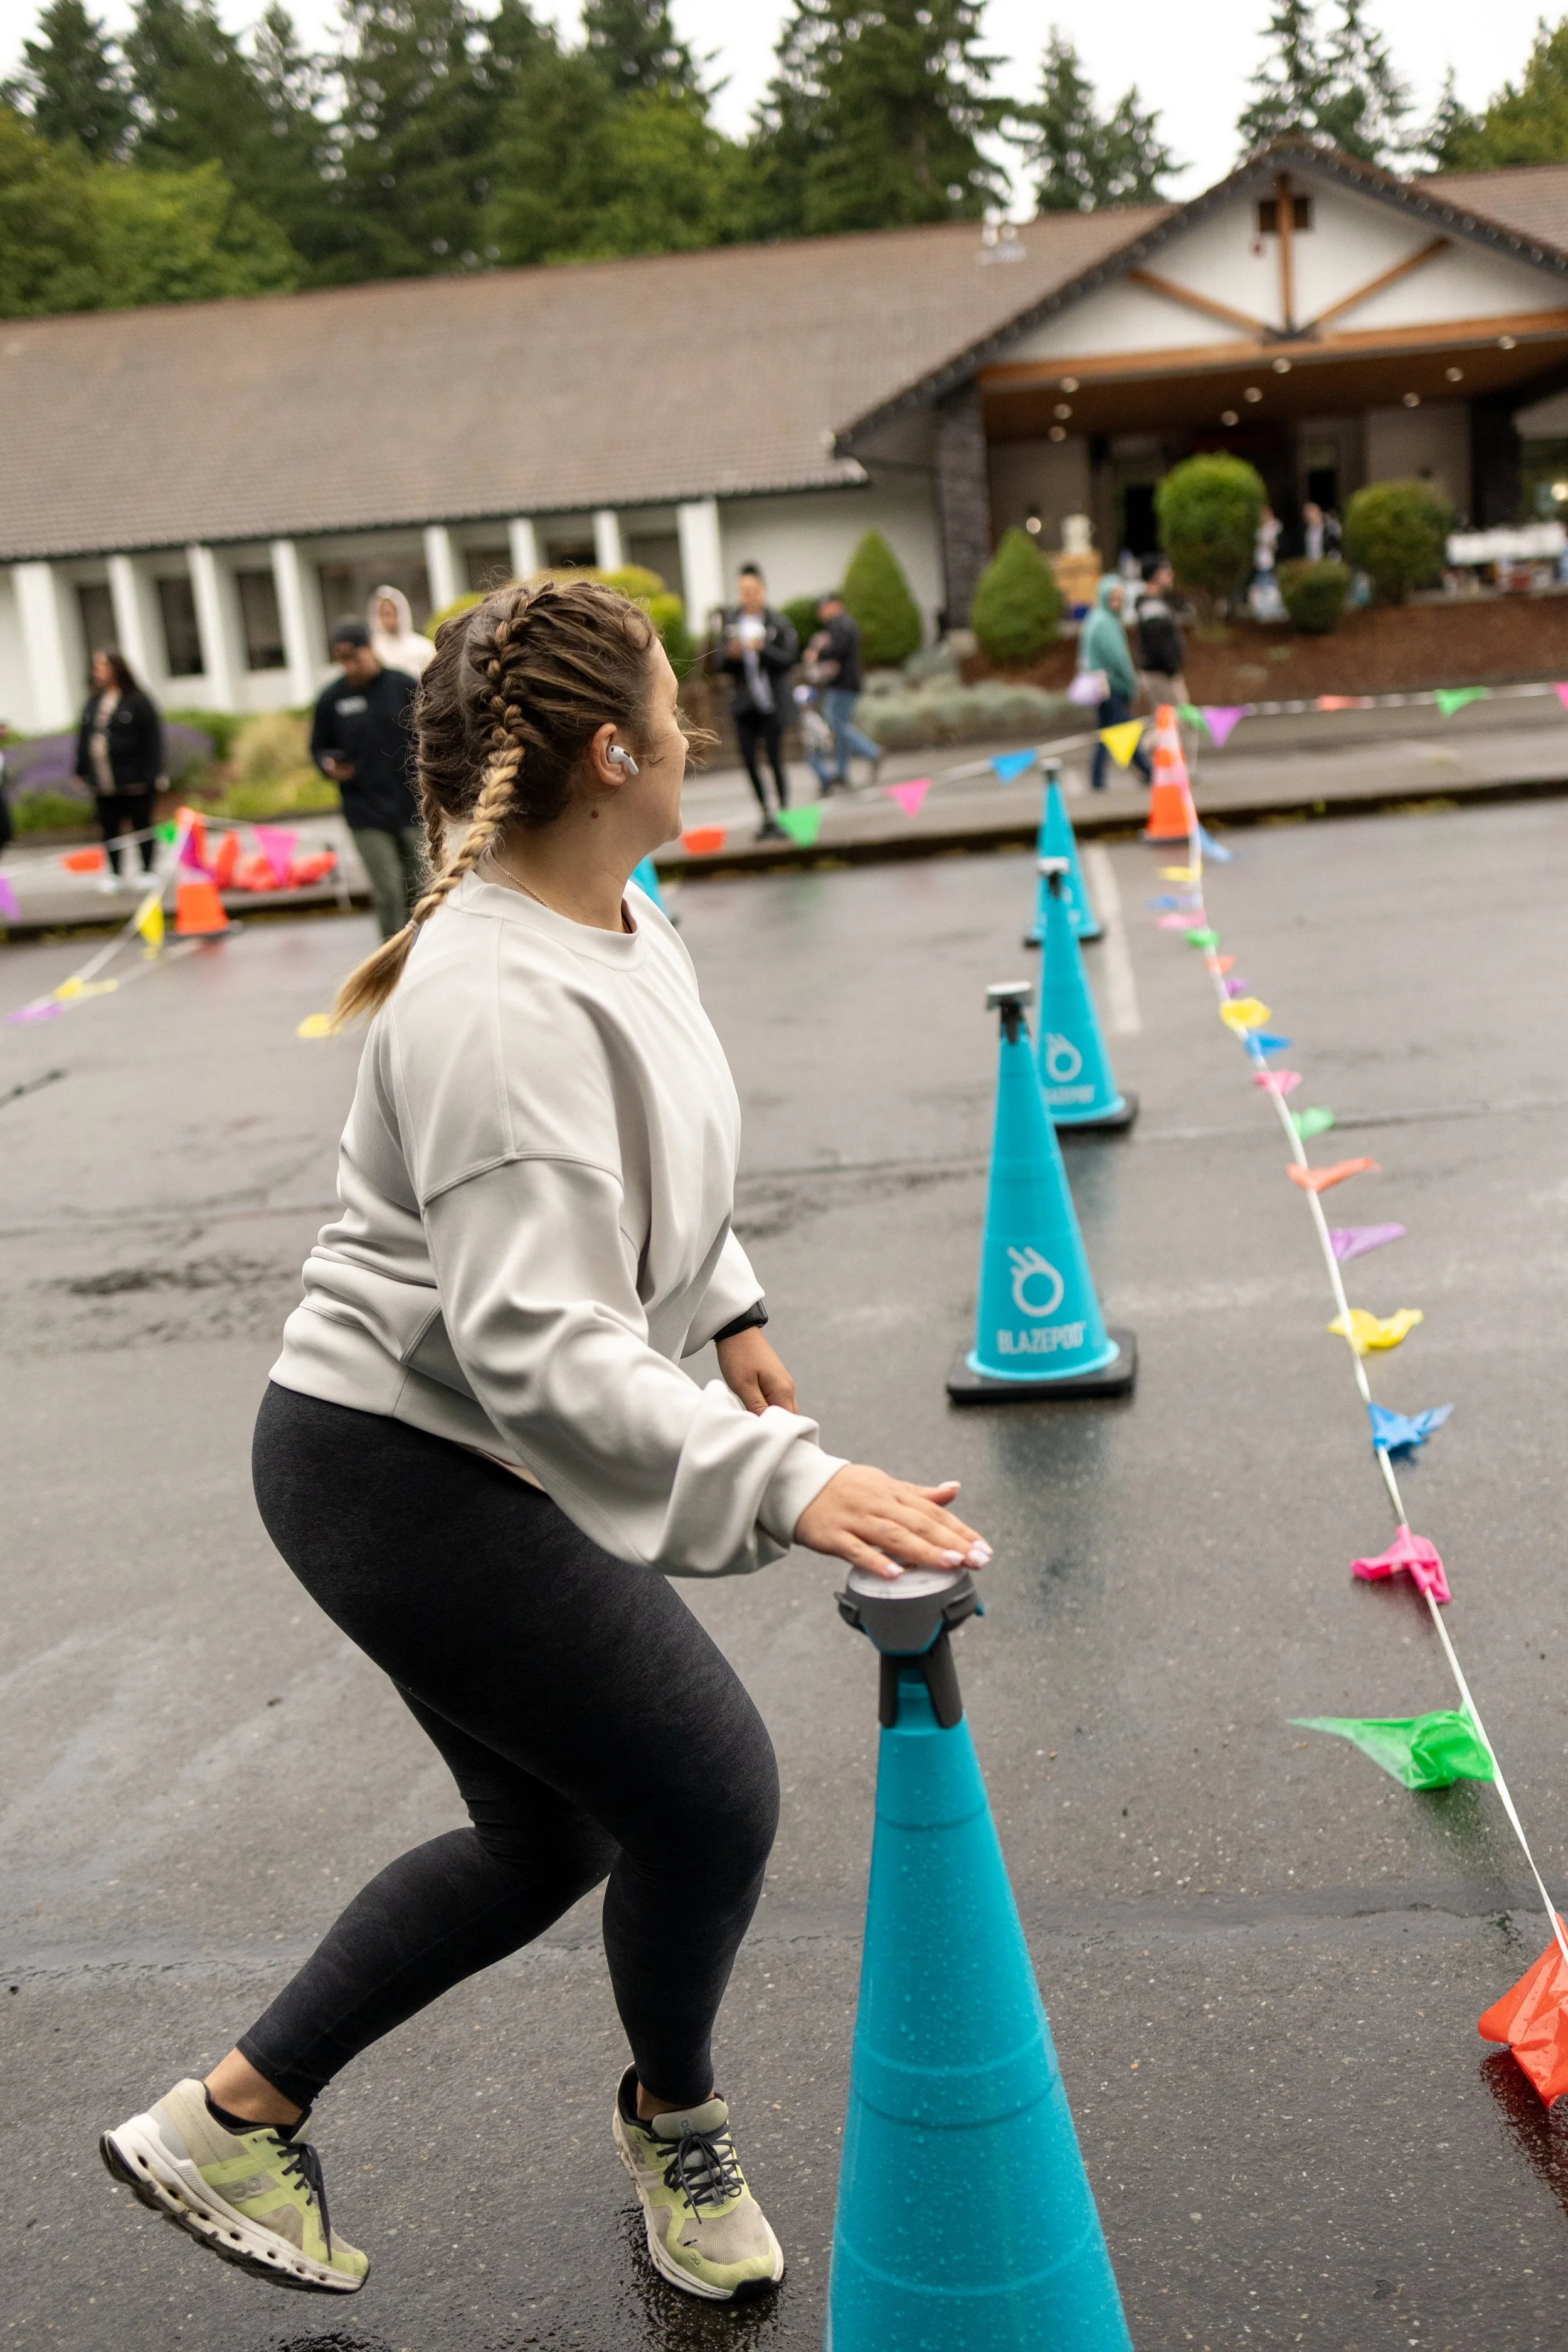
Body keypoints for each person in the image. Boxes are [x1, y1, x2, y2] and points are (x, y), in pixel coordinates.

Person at [100, 576, 989, 2309]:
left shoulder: (616, 912)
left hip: (430, 1449)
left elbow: (648, 1168)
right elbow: (537, 1342)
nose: (696, 722)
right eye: (673, 700)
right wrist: (795, 1481)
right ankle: (673, 2115)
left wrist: (725, 1302)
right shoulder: (496, 1003)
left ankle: (234, 2112)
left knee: (552, 1831)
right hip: (398, 1465)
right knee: (708, 1792)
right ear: (610, 752)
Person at [310, 619, 421, 940]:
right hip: (365, 809)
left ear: (370, 649)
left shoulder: (402, 685)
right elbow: (318, 748)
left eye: (353, 658)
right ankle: (391, 958)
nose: (349, 667)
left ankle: (422, 953)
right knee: (388, 889)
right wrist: (327, 765)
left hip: (410, 803)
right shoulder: (332, 699)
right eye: (341, 661)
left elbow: (433, 731)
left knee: (420, 886)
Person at [73, 649, 162, 893]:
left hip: (134, 779)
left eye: (102, 666)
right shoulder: (93, 702)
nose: (97, 671)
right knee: (109, 828)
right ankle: (115, 873)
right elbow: (84, 738)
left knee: (141, 825)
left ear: (116, 668)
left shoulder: (137, 701)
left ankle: (147, 870)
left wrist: (152, 774)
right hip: (103, 780)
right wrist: (81, 769)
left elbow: (153, 740)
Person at [719, 565, 797, 840]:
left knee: (776, 760)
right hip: (745, 705)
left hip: (772, 703)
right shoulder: (732, 621)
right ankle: (766, 815)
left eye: (751, 591)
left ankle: (785, 815)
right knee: (749, 761)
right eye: (742, 591)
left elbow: (789, 658)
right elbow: (720, 663)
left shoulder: (777, 621)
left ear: (762, 591)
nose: (747, 596)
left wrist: (763, 649)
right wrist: (733, 655)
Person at [803, 591, 882, 794]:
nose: (821, 612)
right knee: (839, 727)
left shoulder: (842, 625)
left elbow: (838, 650)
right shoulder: (840, 625)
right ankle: (842, 771)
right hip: (843, 684)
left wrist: (817, 652)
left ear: (835, 605)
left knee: (838, 727)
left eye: (823, 607)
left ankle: (872, 752)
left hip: (843, 684)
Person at [1081, 577, 1153, 792]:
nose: (1117, 602)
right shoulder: (1105, 623)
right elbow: (1119, 659)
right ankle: (1150, 773)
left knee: (1108, 735)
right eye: (1112, 598)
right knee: (1126, 733)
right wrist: (1131, 684)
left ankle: (1097, 779)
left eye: (1119, 598)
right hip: (1112, 688)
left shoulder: (1096, 619)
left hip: (1103, 688)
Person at [1136, 556, 1189, 712]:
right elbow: (1157, 646)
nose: (1170, 573)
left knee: (1168, 725)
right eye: (1165, 570)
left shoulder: (1159, 603)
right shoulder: (1152, 608)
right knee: (1177, 722)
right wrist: (1171, 668)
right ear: (1154, 575)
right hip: (1161, 675)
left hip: (1163, 673)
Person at [367, 583, 435, 678]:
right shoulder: (372, 650)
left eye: (391, 613)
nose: (388, 619)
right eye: (384, 614)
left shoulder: (424, 647)